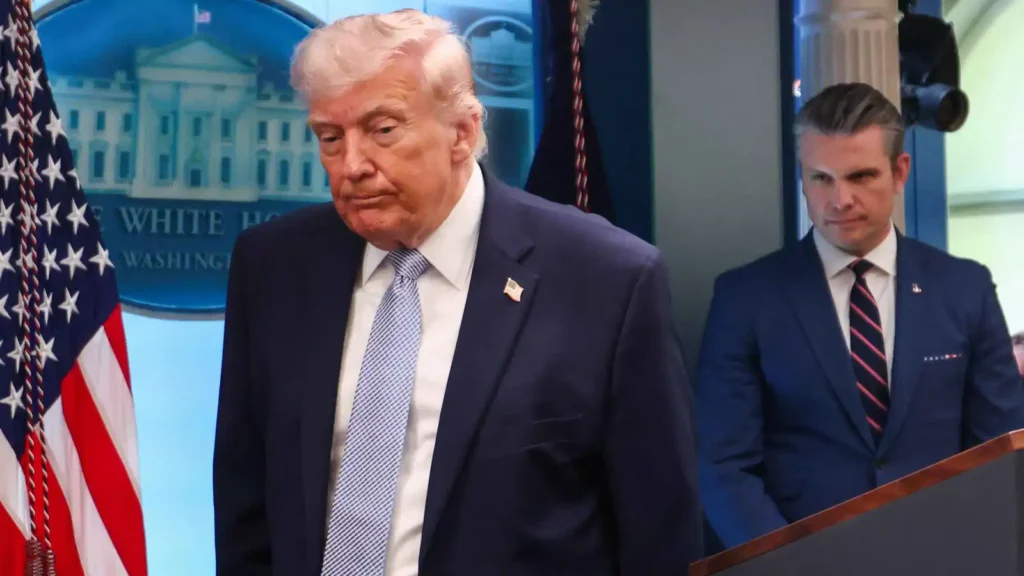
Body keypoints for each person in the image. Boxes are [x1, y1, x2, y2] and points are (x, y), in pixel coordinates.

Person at [212, 9, 701, 575]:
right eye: (330, 137)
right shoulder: (275, 267)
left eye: (383, 130)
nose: (352, 165)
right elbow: (245, 509)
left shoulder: (604, 279)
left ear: (462, 132)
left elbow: (659, 534)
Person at [696, 82, 1024, 550]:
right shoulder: (746, 298)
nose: (840, 199)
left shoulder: (964, 288)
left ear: (899, 171)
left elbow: (1001, 448)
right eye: (821, 178)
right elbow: (725, 466)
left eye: (861, 176)